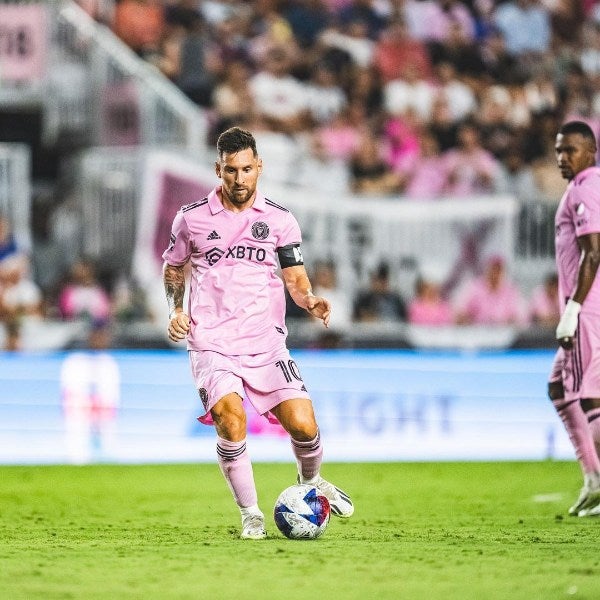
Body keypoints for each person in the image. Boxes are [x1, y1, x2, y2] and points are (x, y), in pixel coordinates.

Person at [162, 126, 354, 539]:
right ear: (219, 169)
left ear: (259, 167)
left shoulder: (281, 220)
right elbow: (175, 266)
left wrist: (309, 299)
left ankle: (312, 482)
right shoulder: (191, 218)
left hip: (266, 344)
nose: (239, 179)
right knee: (230, 419)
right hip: (212, 343)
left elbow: (296, 279)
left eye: (247, 169)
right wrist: (176, 308)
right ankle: (251, 514)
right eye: (231, 170)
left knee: (304, 425)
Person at [548, 120, 600, 517]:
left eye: (571, 150)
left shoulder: (586, 187)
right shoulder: (581, 187)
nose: (563, 157)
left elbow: (592, 253)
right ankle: (593, 479)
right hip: (587, 307)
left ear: (591, 151)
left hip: (587, 308)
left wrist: (573, 308)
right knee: (560, 388)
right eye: (559, 150)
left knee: (589, 397)